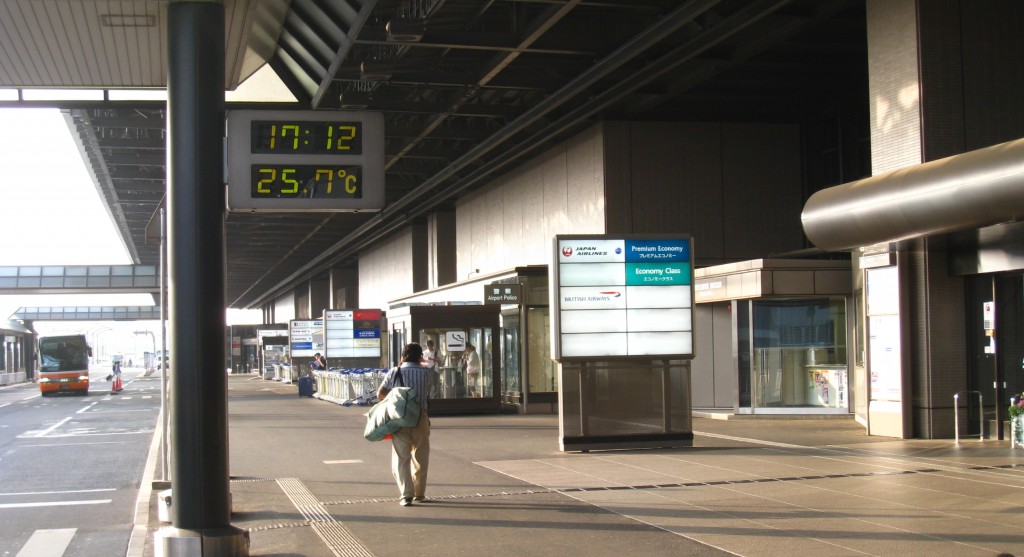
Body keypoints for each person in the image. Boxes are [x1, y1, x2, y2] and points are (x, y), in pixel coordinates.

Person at [377, 343, 433, 506]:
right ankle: (419, 493)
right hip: (420, 417)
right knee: (421, 456)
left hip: (399, 417)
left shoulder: (395, 371)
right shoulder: (427, 373)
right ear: (419, 356)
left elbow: (380, 393)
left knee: (401, 457)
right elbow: (426, 392)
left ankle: (406, 495)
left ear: (403, 356)